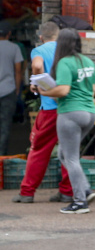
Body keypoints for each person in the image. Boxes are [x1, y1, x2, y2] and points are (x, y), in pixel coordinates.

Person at [35, 29, 95, 214]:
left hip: (70, 113)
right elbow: (90, 88)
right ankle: (84, 189)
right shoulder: (87, 61)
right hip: (89, 113)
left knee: (70, 158)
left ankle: (79, 202)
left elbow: (63, 91)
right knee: (64, 154)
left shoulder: (64, 62)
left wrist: (43, 92)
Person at [13, 21, 74, 203]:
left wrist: (36, 81)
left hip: (50, 110)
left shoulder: (39, 50)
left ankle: (27, 192)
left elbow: (38, 66)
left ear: (41, 37)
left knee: (39, 150)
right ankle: (67, 191)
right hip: (69, 108)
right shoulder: (68, 51)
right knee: (68, 152)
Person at [0, 22, 24, 155]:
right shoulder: (14, 48)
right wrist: (17, 89)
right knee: (5, 125)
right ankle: (1, 156)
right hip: (8, 91)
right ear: (9, 34)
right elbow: (18, 71)